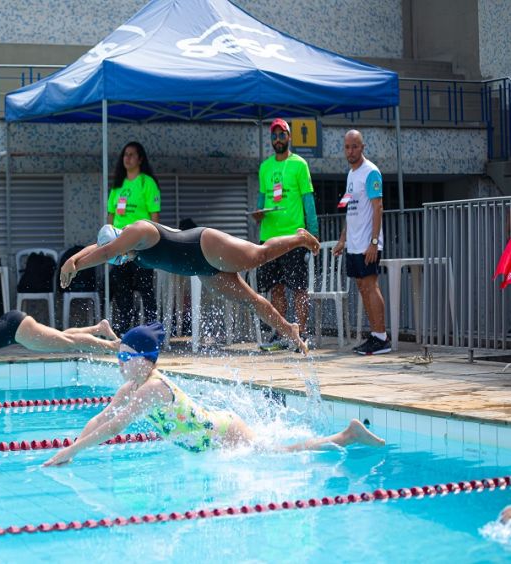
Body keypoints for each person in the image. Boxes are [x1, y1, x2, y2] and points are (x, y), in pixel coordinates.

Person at [43, 323, 384, 466]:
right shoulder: (130, 386)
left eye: (123, 358)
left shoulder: (151, 389)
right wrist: (71, 450)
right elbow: (102, 417)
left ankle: (348, 434)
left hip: (223, 434)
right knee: (277, 449)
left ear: (143, 360)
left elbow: (115, 428)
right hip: (215, 434)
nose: (117, 364)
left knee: (282, 452)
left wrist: (71, 451)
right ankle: (346, 434)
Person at [60, 220, 321, 353]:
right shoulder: (129, 250)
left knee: (258, 256)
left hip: (204, 244)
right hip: (201, 268)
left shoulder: (137, 230)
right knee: (249, 300)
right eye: (120, 259)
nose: (122, 259)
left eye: (120, 254)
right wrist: (72, 260)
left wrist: (76, 266)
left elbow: (105, 252)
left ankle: (299, 238)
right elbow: (100, 249)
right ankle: (290, 331)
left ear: (120, 239)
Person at [250, 118, 319, 350]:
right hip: (269, 237)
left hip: (293, 238)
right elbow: (260, 202)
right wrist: (258, 215)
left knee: (298, 287)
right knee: (275, 287)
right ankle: (280, 334)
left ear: (289, 137)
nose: (277, 139)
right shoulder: (265, 167)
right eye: (274, 135)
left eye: (282, 135)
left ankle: (303, 333)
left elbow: (308, 201)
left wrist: (312, 235)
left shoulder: (299, 165)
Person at [333, 130, 391, 355]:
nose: (351, 151)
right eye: (347, 147)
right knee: (362, 287)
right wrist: (342, 239)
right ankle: (375, 335)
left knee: (370, 285)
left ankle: (381, 337)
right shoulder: (351, 174)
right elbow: (351, 211)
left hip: (368, 243)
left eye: (355, 146)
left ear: (363, 147)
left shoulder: (371, 172)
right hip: (354, 244)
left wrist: (374, 242)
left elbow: (378, 207)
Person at [106, 142, 161, 335]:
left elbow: (155, 217)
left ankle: (153, 331)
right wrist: (110, 242)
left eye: (131, 155)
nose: (127, 158)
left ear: (140, 159)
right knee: (122, 290)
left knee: (145, 289)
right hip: (121, 245)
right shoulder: (118, 186)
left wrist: (153, 243)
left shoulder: (147, 183)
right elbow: (111, 216)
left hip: (142, 244)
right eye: (125, 155)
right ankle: (125, 332)